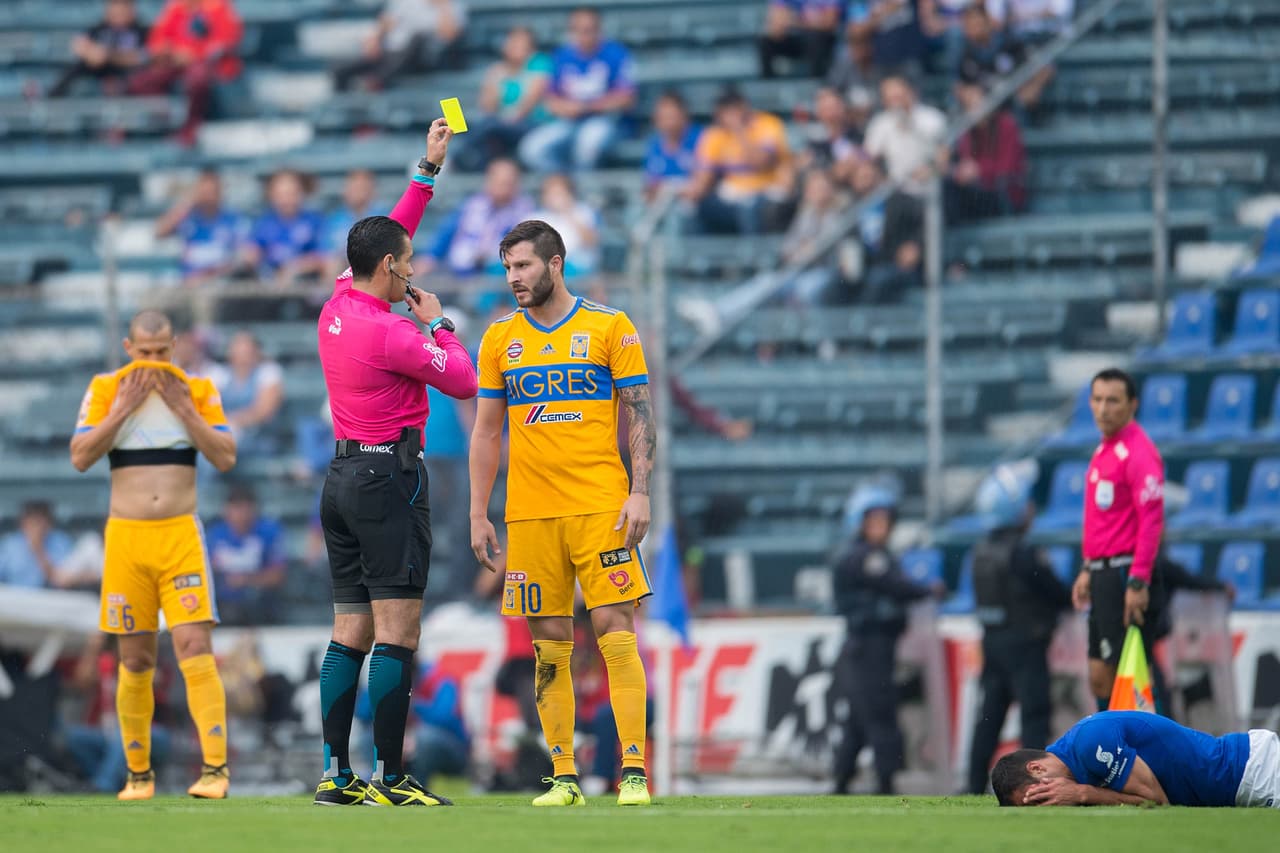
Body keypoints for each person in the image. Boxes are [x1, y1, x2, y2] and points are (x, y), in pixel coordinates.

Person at [313, 118, 478, 808]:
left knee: (347, 631)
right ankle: (390, 776)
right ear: (387, 267)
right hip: (389, 481)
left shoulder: (337, 304)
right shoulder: (395, 332)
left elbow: (391, 233)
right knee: (398, 632)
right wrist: (439, 322)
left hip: (342, 480)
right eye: (405, 263)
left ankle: (335, 773)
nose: (411, 270)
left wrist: (426, 171)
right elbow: (464, 380)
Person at [469, 219, 657, 807]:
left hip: (601, 506)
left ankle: (632, 773)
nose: (513, 278)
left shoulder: (610, 325)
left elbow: (640, 413)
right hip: (530, 515)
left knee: (615, 632)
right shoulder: (499, 338)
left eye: (523, 265)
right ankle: (564, 777)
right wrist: (479, 512)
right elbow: (487, 432)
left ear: (556, 264)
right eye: (507, 268)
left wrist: (640, 491)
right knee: (548, 644)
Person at [69, 309, 237, 800]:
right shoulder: (106, 388)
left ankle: (215, 771)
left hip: (180, 534)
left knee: (194, 647)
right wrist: (123, 409)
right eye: (145, 352)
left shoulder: (196, 388)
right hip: (127, 538)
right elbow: (80, 457)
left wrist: (185, 411)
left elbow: (225, 457)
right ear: (128, 349)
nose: (154, 362)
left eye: (162, 352)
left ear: (175, 346)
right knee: (135, 657)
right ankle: (138, 775)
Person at [966, 461, 1071, 795]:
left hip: (993, 642)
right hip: (1026, 645)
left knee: (989, 718)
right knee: (1034, 715)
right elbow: (1056, 592)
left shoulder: (980, 551)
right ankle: (1032, 783)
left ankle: (971, 783)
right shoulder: (1024, 554)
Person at [831, 484, 940, 795]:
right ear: (859, 522)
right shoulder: (866, 557)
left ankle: (842, 780)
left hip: (868, 646)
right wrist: (927, 590)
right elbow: (896, 585)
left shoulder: (863, 554)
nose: (881, 526)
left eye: (885, 520)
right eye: (874, 520)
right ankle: (885, 780)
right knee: (880, 712)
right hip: (870, 646)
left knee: (858, 717)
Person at [1071, 368, 1166, 712]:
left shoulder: (1139, 453)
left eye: (1112, 400)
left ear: (1132, 404)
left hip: (1125, 575)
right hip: (1102, 573)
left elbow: (1151, 520)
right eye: (1097, 399)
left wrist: (1138, 580)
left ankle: (1150, 744)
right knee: (1101, 677)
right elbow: (1103, 520)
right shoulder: (1104, 449)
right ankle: (1110, 741)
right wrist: (1088, 567)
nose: (1102, 409)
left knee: (1133, 678)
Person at [991, 710, 1280, 808]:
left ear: (1037, 768)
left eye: (1039, 797)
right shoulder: (1073, 758)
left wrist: (1082, 794)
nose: (1050, 803)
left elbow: (1156, 801)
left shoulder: (1090, 744)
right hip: (1242, 780)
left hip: (1256, 771)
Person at [518, 7, 636, 172]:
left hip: (606, 121)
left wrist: (588, 107)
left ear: (599, 29)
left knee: (588, 143)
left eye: (589, 29)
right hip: (569, 121)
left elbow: (627, 98)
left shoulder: (616, 54)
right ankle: (562, 181)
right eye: (578, 30)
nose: (584, 35)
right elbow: (550, 100)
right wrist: (566, 107)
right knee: (531, 149)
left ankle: (581, 184)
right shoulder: (562, 56)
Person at [127, 0, 243, 146]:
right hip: (175, 62)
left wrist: (193, 54)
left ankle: (191, 128)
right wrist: (169, 52)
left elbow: (226, 41)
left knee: (198, 78)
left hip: (209, 66)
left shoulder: (218, 6)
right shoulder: (175, 7)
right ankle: (163, 124)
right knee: (142, 81)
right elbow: (158, 39)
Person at [684, 90, 795, 235]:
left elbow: (761, 162)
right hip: (733, 194)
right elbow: (704, 177)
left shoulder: (768, 124)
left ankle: (752, 249)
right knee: (697, 208)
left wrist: (739, 130)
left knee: (750, 209)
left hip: (767, 190)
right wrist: (690, 193)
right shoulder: (715, 134)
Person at [461, 26, 554, 171]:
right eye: (512, 43)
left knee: (489, 126)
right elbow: (487, 107)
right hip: (499, 124)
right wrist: (496, 81)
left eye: (521, 44)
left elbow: (529, 103)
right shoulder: (498, 69)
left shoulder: (539, 64)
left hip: (532, 123)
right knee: (452, 112)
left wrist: (504, 120)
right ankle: (461, 157)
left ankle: (454, 156)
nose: (515, 48)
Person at [423, 158, 534, 277]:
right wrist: (431, 256)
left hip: (498, 274)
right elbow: (445, 235)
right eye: (498, 182)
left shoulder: (525, 212)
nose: (503, 188)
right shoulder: (470, 206)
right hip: (458, 271)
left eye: (508, 183)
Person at [333, 0, 466, 92]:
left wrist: (443, 7)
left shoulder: (453, 6)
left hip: (427, 58)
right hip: (392, 53)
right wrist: (374, 38)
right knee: (340, 70)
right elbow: (385, 22)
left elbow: (450, 36)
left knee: (417, 38)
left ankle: (377, 81)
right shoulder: (405, 2)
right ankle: (343, 115)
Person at [204, 483, 287, 626]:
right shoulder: (214, 535)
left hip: (260, 605)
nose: (242, 516)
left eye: (246, 510)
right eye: (237, 509)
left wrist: (246, 580)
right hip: (222, 604)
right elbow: (205, 572)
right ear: (226, 510)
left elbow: (278, 575)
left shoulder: (268, 532)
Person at [945, 79, 1026, 223]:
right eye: (968, 104)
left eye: (976, 101)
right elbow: (964, 163)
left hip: (1002, 191)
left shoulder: (1007, 125)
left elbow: (1008, 166)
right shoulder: (967, 129)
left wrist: (978, 170)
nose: (973, 108)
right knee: (947, 186)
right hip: (975, 190)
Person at [154, 169, 247, 286]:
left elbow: (246, 254)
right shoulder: (188, 217)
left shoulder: (232, 220)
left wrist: (212, 274)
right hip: (190, 284)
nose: (207, 197)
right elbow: (159, 232)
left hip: (223, 282)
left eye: (211, 192)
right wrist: (187, 203)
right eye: (204, 192)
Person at [862, 74, 947, 196]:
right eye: (889, 99)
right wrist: (881, 178)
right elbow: (869, 156)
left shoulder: (933, 119)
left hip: (930, 187)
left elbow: (945, 156)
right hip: (895, 192)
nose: (895, 104)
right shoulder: (879, 124)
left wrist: (931, 170)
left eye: (898, 97)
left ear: (910, 93)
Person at [243, 169, 327, 286]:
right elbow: (252, 251)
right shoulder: (263, 223)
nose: (286, 199)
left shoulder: (314, 222)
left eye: (291, 193)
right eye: (280, 194)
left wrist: (295, 268)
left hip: (304, 283)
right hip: (270, 282)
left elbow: (324, 257)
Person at [49, 0, 148, 98]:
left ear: (132, 9)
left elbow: (142, 57)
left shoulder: (141, 31)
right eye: (114, 6)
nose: (118, 11)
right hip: (98, 70)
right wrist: (91, 53)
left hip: (126, 72)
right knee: (77, 69)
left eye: (123, 7)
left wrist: (108, 55)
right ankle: (52, 99)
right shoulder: (100, 28)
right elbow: (80, 45)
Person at [215, 330, 284, 458]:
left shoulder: (268, 372)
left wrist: (234, 421)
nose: (243, 357)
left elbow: (264, 411)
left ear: (257, 352)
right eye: (239, 351)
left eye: (247, 351)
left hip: (260, 438)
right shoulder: (220, 375)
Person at [530, 174, 601, 278]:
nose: (555, 198)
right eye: (551, 193)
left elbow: (591, 242)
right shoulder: (534, 218)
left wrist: (568, 212)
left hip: (578, 267)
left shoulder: (584, 212)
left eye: (559, 193)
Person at [642, 90, 701, 204]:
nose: (667, 123)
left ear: (683, 116)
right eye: (662, 117)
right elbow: (650, 187)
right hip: (664, 204)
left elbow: (700, 187)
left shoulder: (701, 140)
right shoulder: (655, 145)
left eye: (671, 117)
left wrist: (668, 188)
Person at [758, 0, 843, 79]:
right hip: (793, 37)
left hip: (820, 40)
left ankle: (816, 81)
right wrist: (809, 20)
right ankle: (768, 82)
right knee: (766, 39)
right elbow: (776, 22)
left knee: (815, 38)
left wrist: (791, 18)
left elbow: (829, 22)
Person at [0, 501, 75, 589]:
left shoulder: (61, 542)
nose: (38, 526)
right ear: (23, 523)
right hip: (15, 595)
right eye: (33, 521)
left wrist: (38, 549)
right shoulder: (10, 544)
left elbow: (61, 580)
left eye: (41, 521)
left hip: (52, 595)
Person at [324, 169, 380, 280]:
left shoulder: (382, 217)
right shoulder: (334, 219)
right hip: (342, 264)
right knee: (332, 264)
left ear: (373, 191)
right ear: (345, 191)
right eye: (354, 188)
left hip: (374, 265)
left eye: (363, 188)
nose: (359, 193)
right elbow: (326, 250)